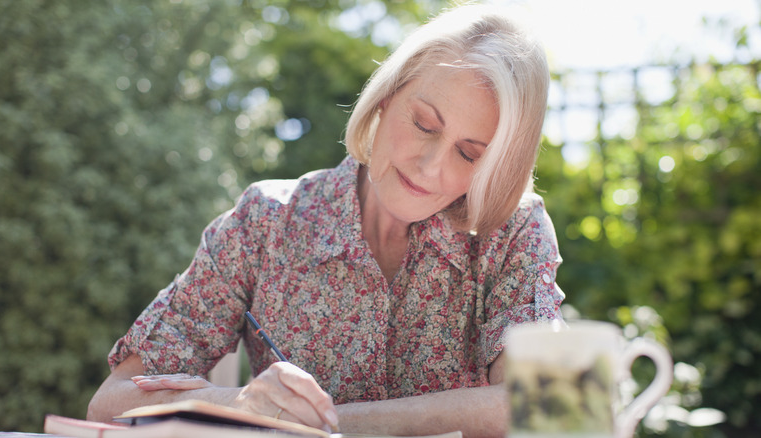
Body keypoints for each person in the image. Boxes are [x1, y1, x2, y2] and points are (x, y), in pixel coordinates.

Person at [87, 4, 564, 437]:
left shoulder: (513, 233)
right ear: (385, 99)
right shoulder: (265, 223)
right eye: (423, 124)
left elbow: (539, 406)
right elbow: (111, 404)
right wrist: (238, 404)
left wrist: (327, 423)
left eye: (467, 153)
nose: (431, 166)